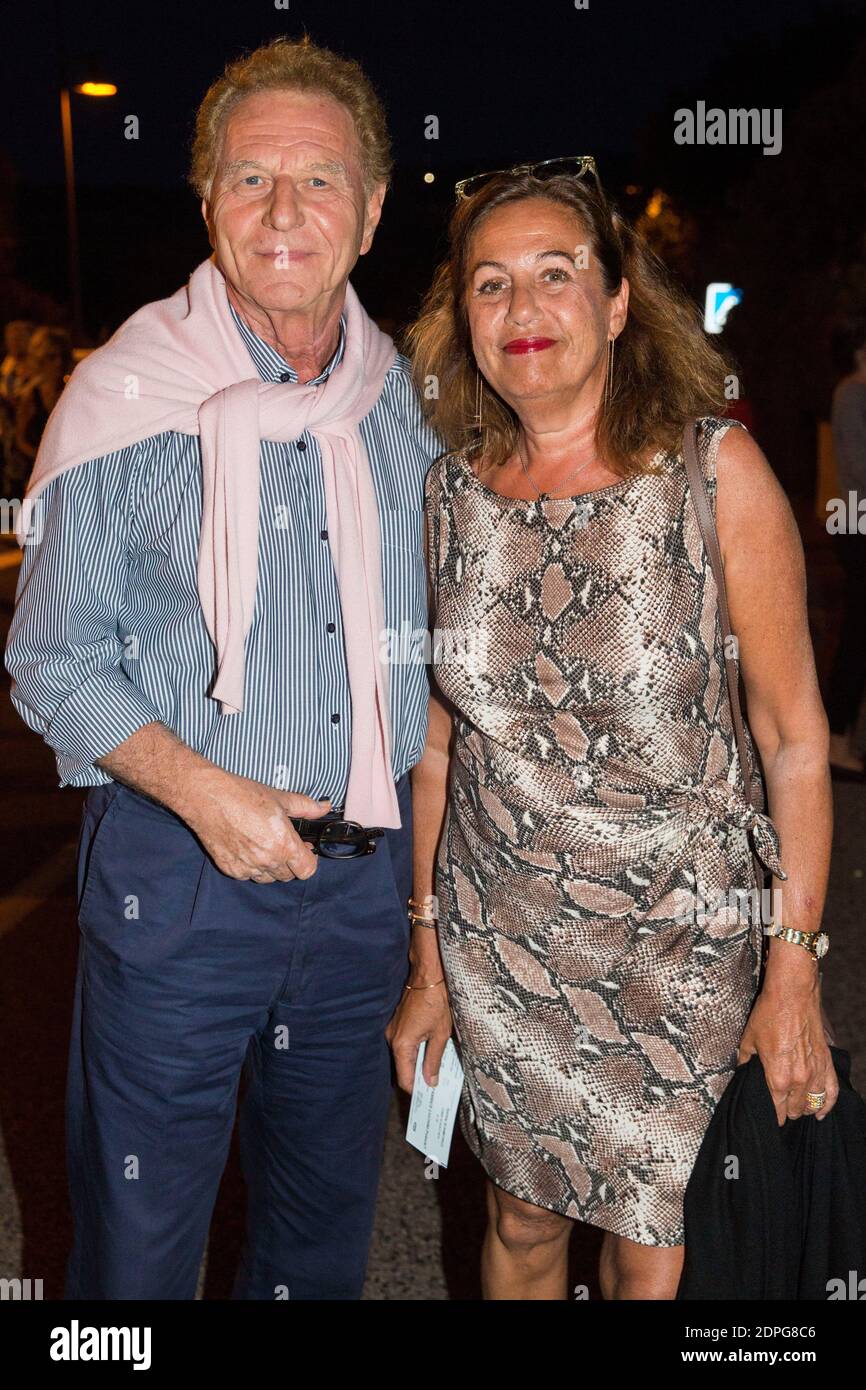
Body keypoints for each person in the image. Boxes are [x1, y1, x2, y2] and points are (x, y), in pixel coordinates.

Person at [4, 36, 441, 1300]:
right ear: (207, 204)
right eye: (250, 180)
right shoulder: (124, 398)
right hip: (176, 883)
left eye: (318, 181)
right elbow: (51, 656)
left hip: (363, 897)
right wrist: (207, 791)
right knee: (133, 1261)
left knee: (317, 1248)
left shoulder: (415, 406)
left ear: (368, 209)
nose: (284, 211)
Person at [392, 158, 835, 1300]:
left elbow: (791, 737)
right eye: (490, 285)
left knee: (656, 1244)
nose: (522, 309)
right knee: (521, 1219)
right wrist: (429, 963)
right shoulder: (447, 497)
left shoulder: (711, 471)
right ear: (463, 318)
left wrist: (792, 972)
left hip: (681, 939)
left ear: (616, 299)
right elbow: (443, 748)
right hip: (503, 932)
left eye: (555, 273)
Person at [825, 332, 866, 774]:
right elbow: (858, 466)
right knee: (857, 632)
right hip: (858, 525)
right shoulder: (853, 393)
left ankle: (844, 736)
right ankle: (837, 738)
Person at [0, 319, 34, 498]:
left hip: (29, 440)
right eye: (10, 339)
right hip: (9, 439)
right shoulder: (7, 368)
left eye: (18, 338)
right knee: (10, 490)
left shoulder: (37, 370)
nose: (13, 343)